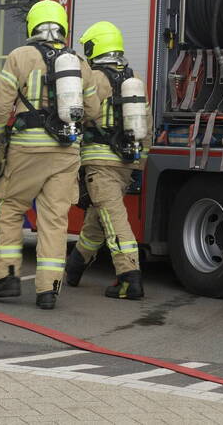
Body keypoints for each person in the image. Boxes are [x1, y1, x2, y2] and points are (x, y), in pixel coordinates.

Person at [0, 0, 99, 310]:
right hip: (66, 152)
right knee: (54, 220)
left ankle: (6, 279)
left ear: (33, 25)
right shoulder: (78, 63)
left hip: (27, 150)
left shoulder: (20, 56)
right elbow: (94, 110)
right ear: (62, 26)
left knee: (9, 208)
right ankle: (48, 290)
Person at [65, 21, 150, 300]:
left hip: (100, 165)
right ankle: (75, 266)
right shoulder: (133, 79)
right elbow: (145, 126)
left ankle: (129, 279)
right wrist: (139, 164)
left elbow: (78, 115)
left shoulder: (93, 78)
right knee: (97, 220)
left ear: (95, 46)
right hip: (126, 163)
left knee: (113, 220)